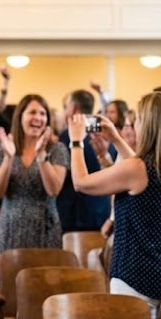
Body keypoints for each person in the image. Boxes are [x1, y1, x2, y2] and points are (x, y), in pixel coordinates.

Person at [68, 91, 161, 319]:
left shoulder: (137, 168)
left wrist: (76, 141)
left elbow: (81, 182)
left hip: (133, 277)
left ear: (147, 125)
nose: (134, 124)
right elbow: (138, 174)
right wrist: (116, 140)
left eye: (137, 120)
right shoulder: (157, 167)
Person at [0, 93, 69, 257]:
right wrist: (8, 158)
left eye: (42, 113)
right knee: (8, 273)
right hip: (10, 228)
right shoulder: (2, 149)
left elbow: (53, 190)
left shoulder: (57, 149)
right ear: (20, 117)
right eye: (32, 112)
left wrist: (41, 156)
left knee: (45, 273)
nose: (38, 117)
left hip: (45, 229)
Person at [57, 88, 111, 233]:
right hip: (101, 211)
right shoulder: (104, 133)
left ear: (73, 108)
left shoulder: (68, 136)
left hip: (75, 213)